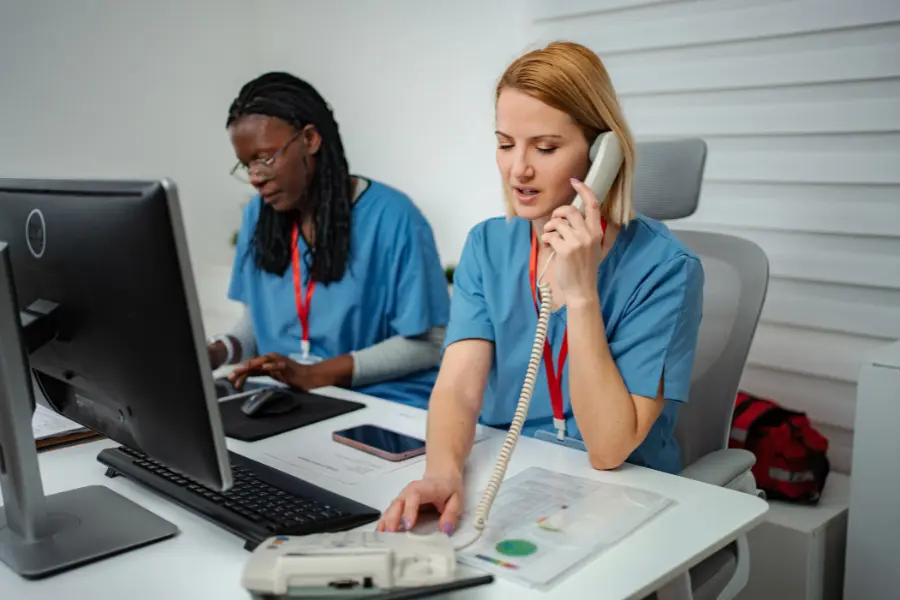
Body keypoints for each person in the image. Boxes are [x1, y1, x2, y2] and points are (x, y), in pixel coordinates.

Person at [377, 42, 704, 534]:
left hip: (623, 497)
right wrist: (442, 473)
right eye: (506, 143)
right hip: (513, 474)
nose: (518, 169)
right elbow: (459, 388)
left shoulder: (665, 268)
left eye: (545, 148)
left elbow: (609, 448)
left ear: (602, 154)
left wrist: (581, 294)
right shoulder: (488, 245)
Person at [206, 72, 450, 410]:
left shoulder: (394, 217)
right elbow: (256, 323)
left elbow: (430, 343)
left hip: (376, 403)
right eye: (246, 164)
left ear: (309, 139)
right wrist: (216, 352)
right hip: (288, 399)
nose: (255, 178)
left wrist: (316, 374)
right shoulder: (256, 216)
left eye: (265, 158)